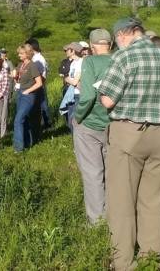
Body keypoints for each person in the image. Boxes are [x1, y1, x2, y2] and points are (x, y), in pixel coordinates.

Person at [97, 18, 160, 271]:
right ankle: (150, 260)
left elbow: (107, 101)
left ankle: (124, 263)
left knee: (122, 202)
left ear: (123, 35)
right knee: (155, 202)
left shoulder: (124, 58)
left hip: (129, 133)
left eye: (117, 41)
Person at [72, 29, 112, 225]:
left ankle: (97, 221)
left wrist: (77, 117)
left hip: (90, 123)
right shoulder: (119, 60)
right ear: (110, 45)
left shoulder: (89, 61)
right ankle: (116, 213)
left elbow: (87, 96)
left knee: (92, 173)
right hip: (113, 123)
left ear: (92, 46)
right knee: (112, 171)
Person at [13, 44, 44, 152]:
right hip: (19, 93)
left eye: (21, 53)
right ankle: (27, 143)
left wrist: (28, 91)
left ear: (27, 54)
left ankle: (18, 149)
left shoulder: (32, 65)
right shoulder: (20, 64)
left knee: (18, 120)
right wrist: (14, 77)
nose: (19, 55)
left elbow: (39, 83)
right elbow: (18, 80)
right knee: (23, 120)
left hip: (28, 95)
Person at [26, 39, 51, 130]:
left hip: (38, 86)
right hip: (36, 85)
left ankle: (47, 125)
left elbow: (42, 75)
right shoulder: (35, 58)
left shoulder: (38, 59)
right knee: (41, 105)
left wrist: (37, 86)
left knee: (42, 106)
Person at [59, 43, 83, 131]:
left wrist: (70, 80)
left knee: (74, 118)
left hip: (79, 94)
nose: (66, 52)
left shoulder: (81, 62)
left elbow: (73, 80)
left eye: (68, 50)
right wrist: (70, 80)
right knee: (70, 118)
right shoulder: (73, 63)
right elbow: (69, 79)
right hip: (72, 93)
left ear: (73, 51)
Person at [0, 48, 14, 137]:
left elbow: (13, 74)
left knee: (5, 109)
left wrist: (6, 74)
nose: (3, 54)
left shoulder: (9, 63)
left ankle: (3, 132)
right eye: (2, 53)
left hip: (7, 88)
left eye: (4, 53)